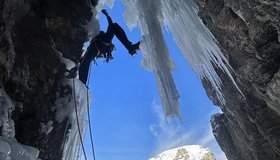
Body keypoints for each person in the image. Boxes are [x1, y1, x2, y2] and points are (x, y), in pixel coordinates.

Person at [79, 9, 140, 84]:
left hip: (99, 45)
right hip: (97, 46)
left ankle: (82, 83)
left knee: (86, 60)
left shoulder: (103, 37)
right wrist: (107, 15)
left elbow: (111, 25)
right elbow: (111, 26)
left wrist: (107, 16)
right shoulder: (103, 37)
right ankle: (81, 82)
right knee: (85, 60)